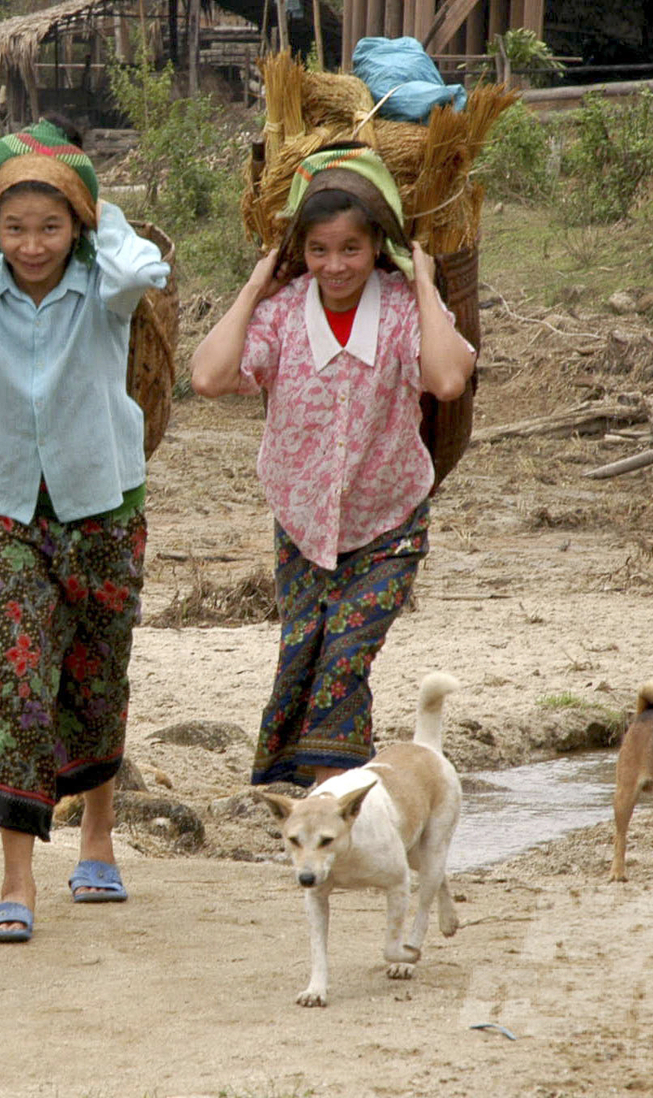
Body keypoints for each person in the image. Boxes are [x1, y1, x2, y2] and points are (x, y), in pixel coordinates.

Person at [0, 117, 170, 944]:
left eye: (50, 226)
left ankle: (98, 839)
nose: (31, 246)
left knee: (96, 674)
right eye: (14, 226)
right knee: (21, 680)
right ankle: (15, 878)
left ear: (77, 227)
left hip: (105, 505)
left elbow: (147, 265)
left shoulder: (102, 287)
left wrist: (96, 208)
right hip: (7, 508)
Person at [188, 143, 474, 789]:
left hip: (389, 525)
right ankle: (338, 796)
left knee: (344, 659)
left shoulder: (404, 309)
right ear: (301, 251)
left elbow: (448, 379)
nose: (336, 265)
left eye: (351, 248)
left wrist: (424, 281)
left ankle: (329, 796)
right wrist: (259, 282)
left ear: (379, 244)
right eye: (319, 250)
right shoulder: (284, 312)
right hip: (302, 526)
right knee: (303, 658)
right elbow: (208, 376)